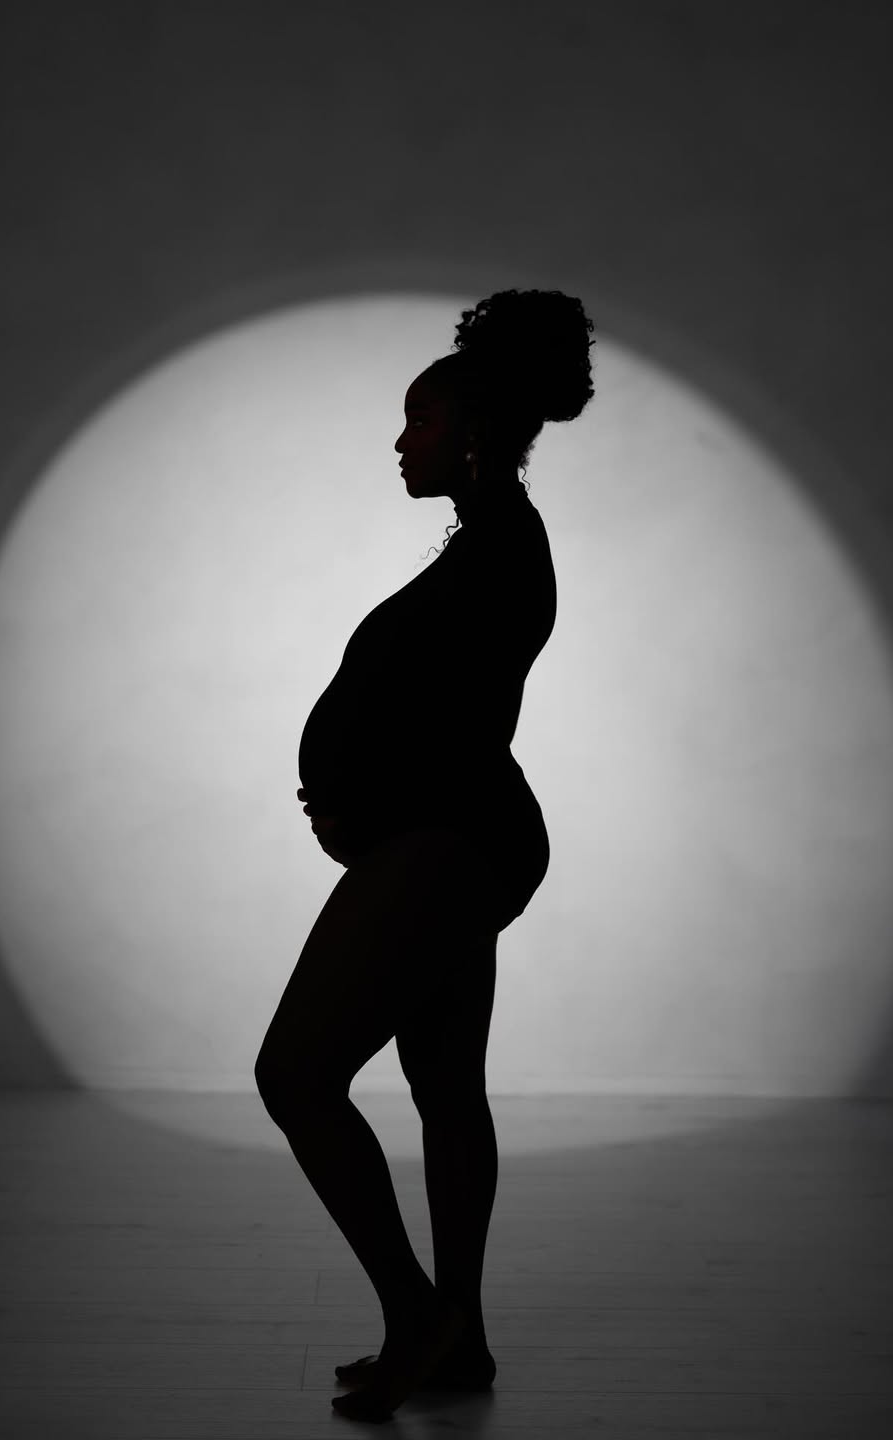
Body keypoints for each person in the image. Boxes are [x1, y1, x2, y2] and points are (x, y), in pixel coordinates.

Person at [254, 288, 595, 1423]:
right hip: (454, 838)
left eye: (423, 421)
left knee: (296, 1076)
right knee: (444, 1090)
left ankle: (419, 1315)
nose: (402, 442)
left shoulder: (501, 547)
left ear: (475, 430)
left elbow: (451, 723)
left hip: (449, 841)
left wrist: (359, 805)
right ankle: (462, 1342)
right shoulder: (491, 539)